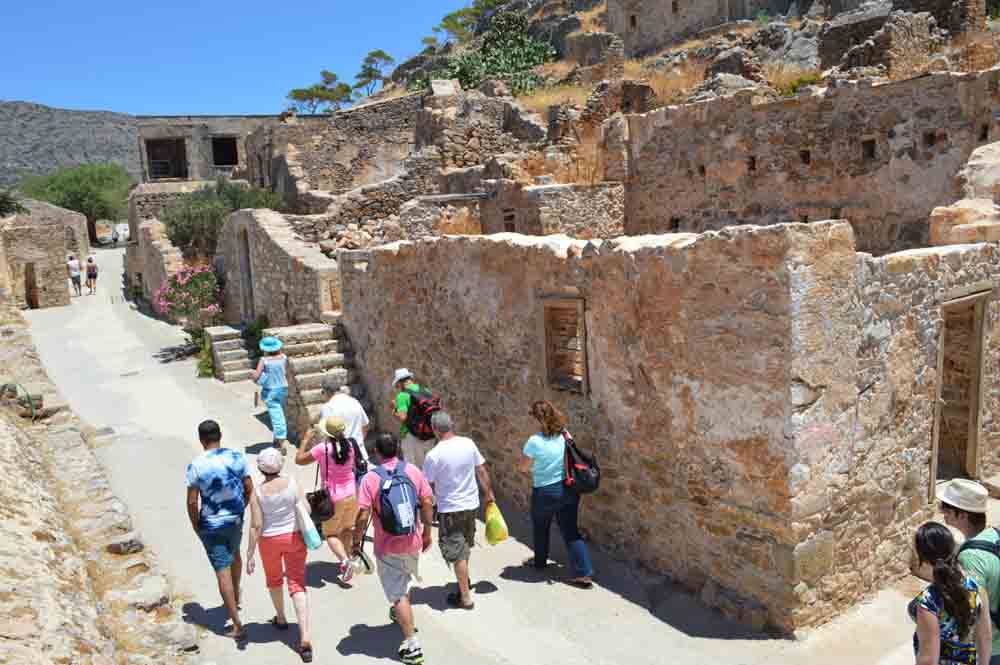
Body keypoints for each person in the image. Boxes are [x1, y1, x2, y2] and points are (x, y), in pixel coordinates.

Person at [353, 433, 434, 665]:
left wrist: (356, 542)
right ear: (397, 448)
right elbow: (428, 502)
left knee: (397, 593)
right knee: (403, 580)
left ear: (377, 452)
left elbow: (362, 515)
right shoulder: (412, 471)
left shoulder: (370, 479)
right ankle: (400, 612)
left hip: (387, 545)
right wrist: (427, 532)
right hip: (413, 539)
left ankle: (412, 645)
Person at [185, 420, 252, 641]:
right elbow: (249, 486)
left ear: (201, 440)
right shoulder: (236, 457)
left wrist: (196, 525)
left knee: (222, 570)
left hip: (212, 524)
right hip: (235, 519)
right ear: (220, 435)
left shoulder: (196, 465)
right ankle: (237, 594)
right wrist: (241, 507)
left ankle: (236, 625)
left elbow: (193, 502)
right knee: (235, 556)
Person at [422, 411, 495, 610]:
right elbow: (481, 470)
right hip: (471, 505)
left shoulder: (433, 455)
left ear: (435, 429)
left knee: (457, 553)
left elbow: (426, 491)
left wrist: (425, 525)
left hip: (450, 509)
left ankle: (465, 597)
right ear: (451, 425)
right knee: (463, 545)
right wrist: (488, 493)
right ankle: (464, 579)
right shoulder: (468, 443)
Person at [247, 447, 313, 662]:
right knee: (297, 583)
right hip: (294, 537)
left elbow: (256, 525)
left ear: (260, 469)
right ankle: (305, 638)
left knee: (274, 580)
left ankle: (281, 618)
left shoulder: (256, 492)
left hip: (269, 541)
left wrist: (249, 554)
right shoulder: (293, 483)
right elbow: (307, 509)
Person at [519, 400, 594, 588]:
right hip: (569, 489)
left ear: (536, 419)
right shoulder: (565, 434)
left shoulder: (534, 442)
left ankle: (540, 561)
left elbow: (523, 468)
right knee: (570, 529)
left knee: (541, 526)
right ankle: (583, 573)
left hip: (545, 492)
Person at [909, 521, 992, 664]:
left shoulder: (929, 602)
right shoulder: (977, 590)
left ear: (922, 558)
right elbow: (985, 638)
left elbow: (928, 659)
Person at [295, 416, 365, 581]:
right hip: (353, 493)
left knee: (330, 533)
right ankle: (347, 557)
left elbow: (298, 460)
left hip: (334, 496)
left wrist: (305, 440)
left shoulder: (322, 448)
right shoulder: (351, 445)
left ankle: (345, 561)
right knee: (347, 528)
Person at [939, 479, 1000, 663]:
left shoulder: (970, 558)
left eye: (947, 509)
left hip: (992, 649)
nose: (942, 513)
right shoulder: (994, 536)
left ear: (963, 515)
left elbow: (977, 614)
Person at [319, 380, 371, 473]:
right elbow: (365, 425)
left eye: (322, 392)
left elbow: (327, 434)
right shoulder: (355, 402)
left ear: (326, 392)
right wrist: (358, 442)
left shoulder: (327, 407)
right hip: (360, 454)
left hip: (342, 460)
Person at [254, 337, 289, 452]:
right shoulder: (284, 357)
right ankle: (276, 439)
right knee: (279, 412)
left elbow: (256, 376)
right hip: (283, 388)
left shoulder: (264, 360)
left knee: (276, 416)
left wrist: (253, 376)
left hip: (270, 391)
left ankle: (281, 442)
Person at [392, 368, 432, 468]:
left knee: (413, 469)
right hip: (428, 434)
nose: (398, 388)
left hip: (411, 436)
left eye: (397, 385)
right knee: (429, 467)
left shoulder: (402, 395)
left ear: (400, 383)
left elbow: (403, 417)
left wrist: (394, 411)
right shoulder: (425, 390)